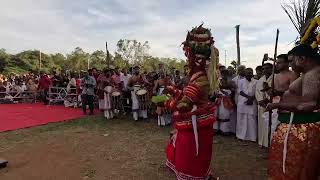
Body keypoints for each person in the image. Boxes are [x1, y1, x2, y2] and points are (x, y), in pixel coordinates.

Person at [165, 25, 216, 180]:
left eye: (189, 58)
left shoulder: (200, 79)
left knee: (192, 157)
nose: (187, 62)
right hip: (198, 126)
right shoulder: (200, 76)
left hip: (195, 127)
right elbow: (188, 97)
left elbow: (183, 106)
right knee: (197, 155)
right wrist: (175, 91)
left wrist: (167, 103)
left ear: (196, 59)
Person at [267, 44, 320, 180]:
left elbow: (308, 105)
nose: (290, 65)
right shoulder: (308, 73)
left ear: (302, 59)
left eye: (291, 61)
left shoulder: (312, 75)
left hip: (302, 130)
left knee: (296, 169)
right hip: (295, 126)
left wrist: (277, 104)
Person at [236, 68, 258, 142]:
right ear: (245, 73)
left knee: (252, 119)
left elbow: (257, 92)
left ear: (252, 73)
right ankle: (240, 136)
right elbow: (239, 91)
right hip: (242, 102)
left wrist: (252, 98)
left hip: (252, 102)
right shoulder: (240, 81)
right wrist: (248, 97)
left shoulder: (256, 81)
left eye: (250, 72)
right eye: (248, 72)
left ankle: (252, 137)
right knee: (241, 119)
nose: (249, 74)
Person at [255, 63, 273, 148]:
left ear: (272, 68)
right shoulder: (260, 80)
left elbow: (274, 92)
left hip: (271, 105)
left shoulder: (275, 78)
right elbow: (257, 92)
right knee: (262, 124)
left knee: (270, 124)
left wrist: (267, 101)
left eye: (267, 68)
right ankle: (262, 142)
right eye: (263, 69)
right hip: (261, 105)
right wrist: (260, 101)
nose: (265, 70)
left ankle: (269, 143)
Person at [214, 69, 236, 135]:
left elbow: (234, 90)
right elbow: (215, 89)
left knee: (225, 114)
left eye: (226, 73)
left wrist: (229, 95)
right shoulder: (218, 81)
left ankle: (225, 130)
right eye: (223, 73)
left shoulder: (231, 81)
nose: (224, 75)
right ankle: (216, 129)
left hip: (227, 99)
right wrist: (217, 94)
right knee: (217, 113)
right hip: (219, 99)